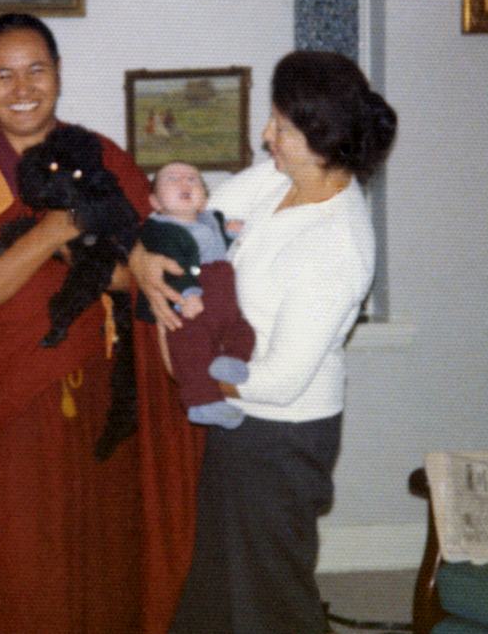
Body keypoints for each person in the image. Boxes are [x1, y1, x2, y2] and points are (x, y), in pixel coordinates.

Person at [0, 13, 198, 634]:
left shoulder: (101, 157)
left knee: (98, 574)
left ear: (57, 76)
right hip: (5, 410)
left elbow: (145, 273)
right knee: (14, 581)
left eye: (36, 70)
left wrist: (86, 260)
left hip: (101, 403)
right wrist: (57, 228)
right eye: (3, 74)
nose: (21, 88)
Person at [133, 50, 397, 634]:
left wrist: (192, 373)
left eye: (280, 124)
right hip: (238, 421)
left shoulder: (339, 241)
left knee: (272, 601)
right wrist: (143, 257)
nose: (265, 134)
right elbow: (194, 220)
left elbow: (280, 381)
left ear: (319, 138)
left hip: (282, 438)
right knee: (216, 591)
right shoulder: (282, 179)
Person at [138, 161, 255, 428]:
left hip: (224, 300)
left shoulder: (211, 219)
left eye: (193, 179)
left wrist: (228, 233)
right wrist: (187, 294)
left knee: (243, 331)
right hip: (191, 301)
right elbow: (171, 265)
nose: (185, 182)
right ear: (155, 202)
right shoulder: (158, 230)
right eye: (172, 179)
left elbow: (212, 244)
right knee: (190, 349)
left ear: (203, 200)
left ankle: (232, 361)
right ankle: (202, 403)